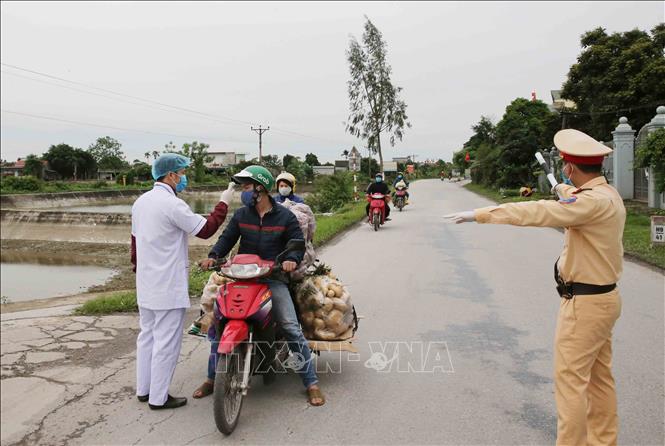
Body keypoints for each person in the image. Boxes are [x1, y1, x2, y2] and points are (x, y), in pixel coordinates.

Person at [445, 129, 624, 446]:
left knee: (570, 383)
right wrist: (563, 188)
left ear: (569, 166)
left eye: (566, 169)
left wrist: (480, 214)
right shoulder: (607, 195)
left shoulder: (588, 204)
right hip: (603, 300)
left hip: (584, 306)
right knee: (599, 380)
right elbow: (573, 198)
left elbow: (538, 210)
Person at [196, 165, 325, 406]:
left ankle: (311, 382)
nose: (243, 191)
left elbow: (296, 243)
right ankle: (212, 378)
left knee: (290, 326)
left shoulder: (285, 217)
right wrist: (214, 255)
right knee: (218, 322)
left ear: (261, 188)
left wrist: (290, 260)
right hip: (242, 278)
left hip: (272, 277)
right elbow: (227, 239)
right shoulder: (242, 215)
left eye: (246, 186)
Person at [131, 153, 233, 410]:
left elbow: (134, 246)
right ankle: (158, 398)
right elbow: (206, 229)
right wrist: (224, 202)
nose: (184, 177)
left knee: (147, 337)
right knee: (166, 341)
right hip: (167, 285)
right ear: (171, 175)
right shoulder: (172, 204)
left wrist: (141, 271)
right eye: (183, 172)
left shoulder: (141, 202)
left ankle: (144, 390)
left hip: (146, 283)